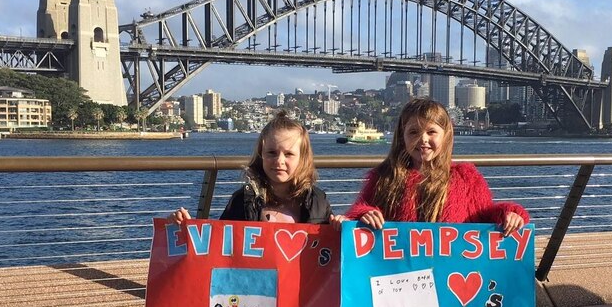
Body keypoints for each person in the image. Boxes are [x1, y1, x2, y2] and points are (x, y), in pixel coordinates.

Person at [342, 98, 528, 234]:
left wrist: (509, 214)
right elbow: (357, 213)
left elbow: (484, 215)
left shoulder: (468, 179)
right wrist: (364, 215)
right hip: (401, 278)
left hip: (449, 274)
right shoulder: (384, 177)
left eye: (432, 132)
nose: (423, 139)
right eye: (413, 132)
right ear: (402, 137)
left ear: (446, 136)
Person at [168, 111, 335, 224]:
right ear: (261, 154)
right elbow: (217, 246)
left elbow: (335, 253)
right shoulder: (242, 201)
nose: (279, 161)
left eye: (289, 154)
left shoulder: (318, 202)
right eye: (271, 152)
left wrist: (342, 227)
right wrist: (183, 228)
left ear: (303, 158)